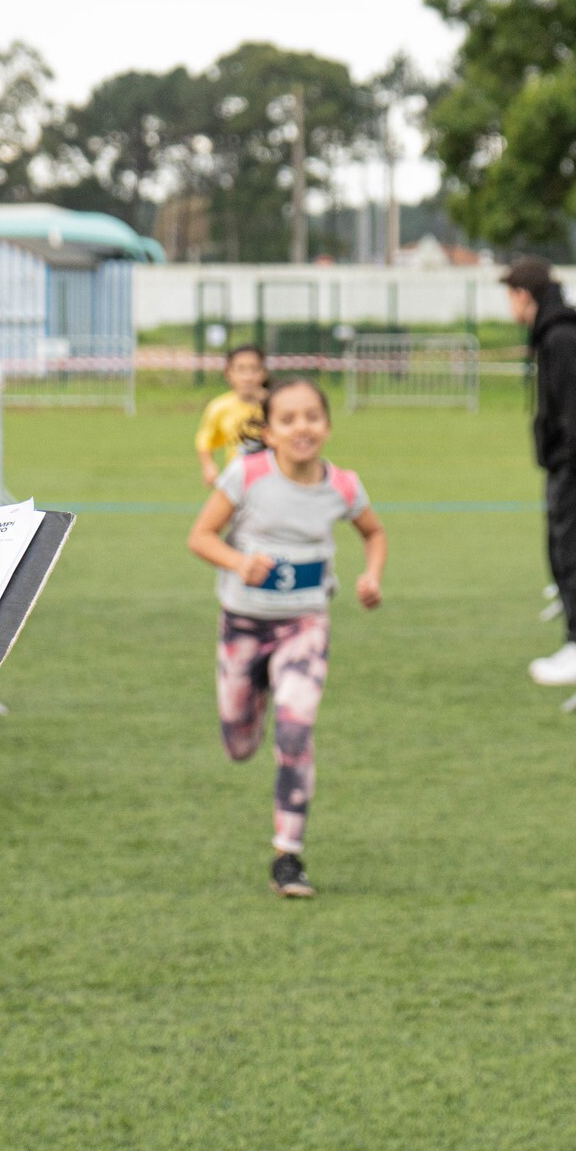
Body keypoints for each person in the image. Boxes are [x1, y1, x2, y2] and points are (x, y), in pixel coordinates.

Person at [187, 378, 386, 898]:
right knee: (240, 744)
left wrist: (371, 577)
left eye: (312, 417)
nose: (302, 427)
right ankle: (256, 693)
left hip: (305, 625)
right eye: (289, 419)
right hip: (244, 625)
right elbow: (200, 536)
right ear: (269, 431)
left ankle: (288, 857)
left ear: (327, 425)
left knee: (296, 733)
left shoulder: (342, 486)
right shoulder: (246, 475)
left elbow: (374, 532)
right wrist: (238, 562)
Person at [505, 258, 576, 688]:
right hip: (572, 461)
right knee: (563, 548)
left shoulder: (561, 336)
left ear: (524, 295)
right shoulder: (554, 332)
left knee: (573, 551)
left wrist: (569, 457)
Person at [195, 342, 268, 487]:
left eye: (254, 369)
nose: (248, 377)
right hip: (238, 482)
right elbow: (204, 440)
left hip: (272, 481)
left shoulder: (276, 405)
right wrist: (208, 466)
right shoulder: (219, 407)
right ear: (229, 373)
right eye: (241, 369)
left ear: (264, 373)